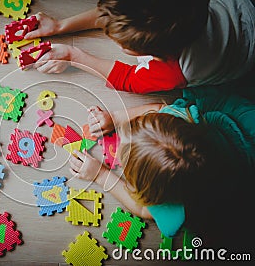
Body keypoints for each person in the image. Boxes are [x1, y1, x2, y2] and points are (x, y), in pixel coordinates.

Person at [69, 86, 255, 249]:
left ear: (152, 192)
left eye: (123, 155)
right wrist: (116, 118)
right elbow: (158, 109)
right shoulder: (180, 117)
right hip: (238, 132)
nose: (116, 146)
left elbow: (143, 210)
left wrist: (100, 174)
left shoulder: (174, 210)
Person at [25, 0, 255, 94]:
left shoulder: (174, 71)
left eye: (121, 43)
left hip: (243, 57)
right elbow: (118, 12)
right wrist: (59, 25)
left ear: (154, 54)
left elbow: (129, 79)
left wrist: (73, 55)